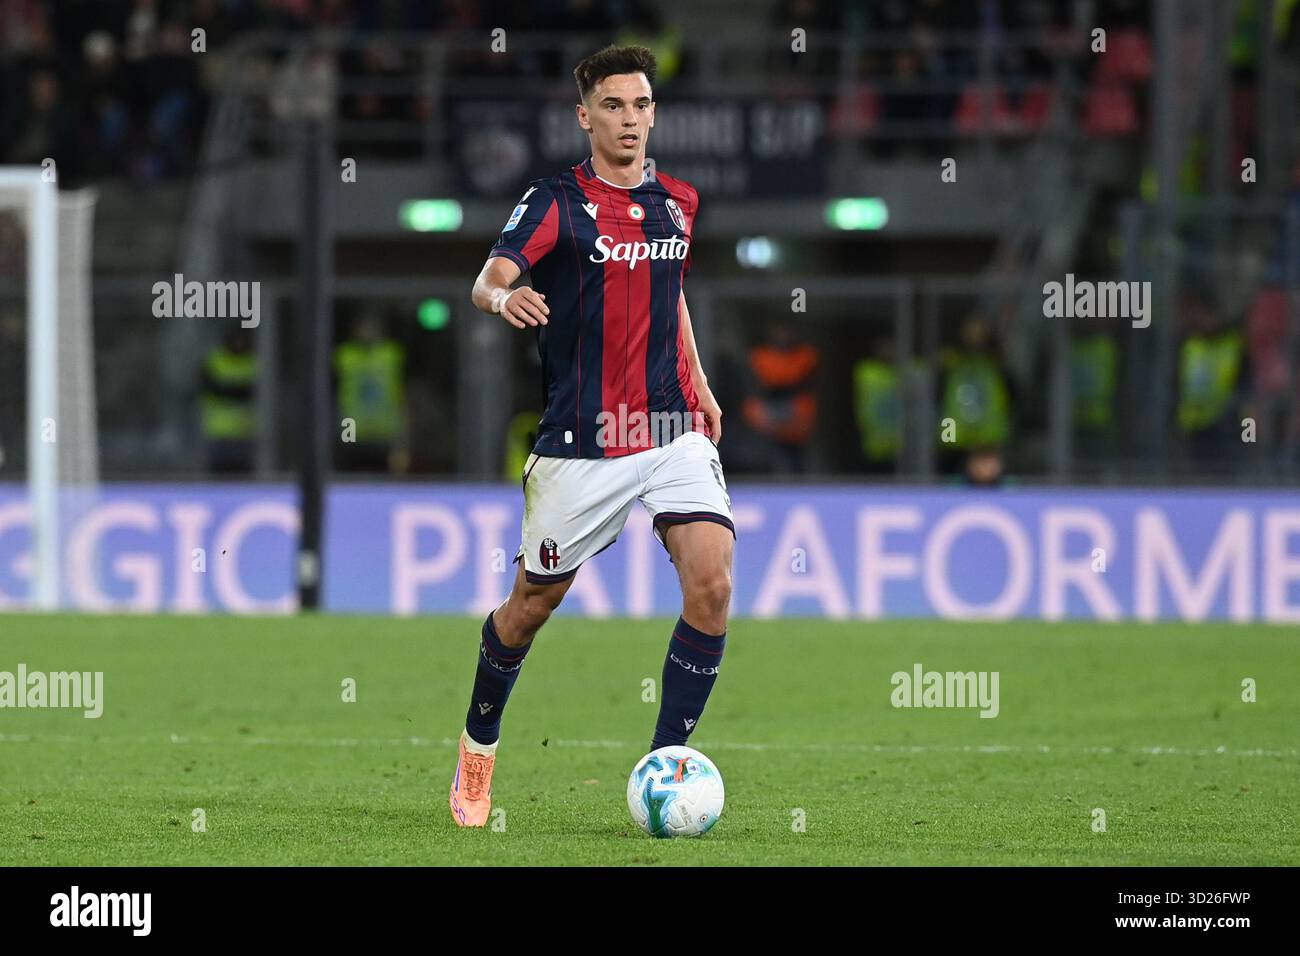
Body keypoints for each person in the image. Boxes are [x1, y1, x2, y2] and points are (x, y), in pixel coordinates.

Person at [452, 45, 733, 828]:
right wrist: (498, 302)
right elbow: (491, 275)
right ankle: (478, 748)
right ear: (585, 117)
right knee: (530, 606)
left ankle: (664, 762)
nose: (631, 120)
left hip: (670, 424)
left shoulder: (679, 201)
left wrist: (701, 384)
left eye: (642, 105)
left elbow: (669, 296)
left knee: (710, 584)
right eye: (614, 106)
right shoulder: (554, 201)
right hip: (581, 441)